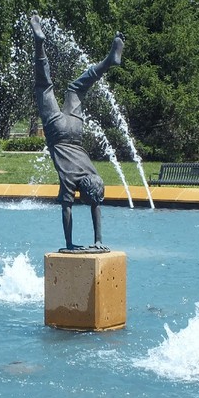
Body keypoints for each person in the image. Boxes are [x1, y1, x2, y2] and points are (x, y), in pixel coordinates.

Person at [30, 13, 123, 252]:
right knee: (44, 85)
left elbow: (96, 203)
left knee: (76, 88)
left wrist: (96, 241)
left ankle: (107, 62)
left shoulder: (92, 171)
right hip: (58, 131)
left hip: (74, 129)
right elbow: (68, 209)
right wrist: (70, 244)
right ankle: (39, 43)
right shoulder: (72, 179)